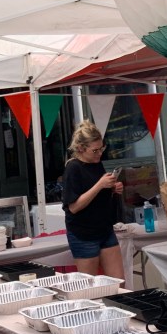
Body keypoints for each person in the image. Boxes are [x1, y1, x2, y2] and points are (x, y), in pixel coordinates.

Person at [61, 120, 125, 279]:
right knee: (89, 284)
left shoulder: (96, 163)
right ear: (81, 148)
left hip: (104, 228)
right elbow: (74, 207)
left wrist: (112, 188)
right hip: (84, 233)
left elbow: (97, 195)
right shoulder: (73, 168)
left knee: (118, 282)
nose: (99, 153)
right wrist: (100, 185)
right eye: (95, 150)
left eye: (101, 148)